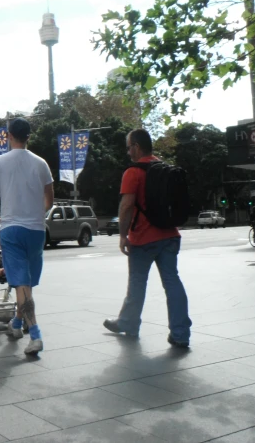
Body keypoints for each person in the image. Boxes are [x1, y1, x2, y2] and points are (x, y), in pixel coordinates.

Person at [103, 129, 192, 348]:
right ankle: (180, 334)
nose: (127, 152)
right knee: (173, 283)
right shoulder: (164, 168)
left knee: (137, 284)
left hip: (143, 238)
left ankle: (129, 323)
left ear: (136, 146)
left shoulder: (133, 172)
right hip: (170, 235)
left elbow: (126, 207)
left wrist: (123, 235)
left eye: (128, 147)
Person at [0, 118, 54, 355]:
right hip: (36, 230)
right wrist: (35, 214)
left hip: (11, 229)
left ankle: (35, 334)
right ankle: (15, 324)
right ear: (29, 137)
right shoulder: (41, 163)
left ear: (9, 135)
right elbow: (49, 200)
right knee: (27, 283)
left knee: (22, 284)